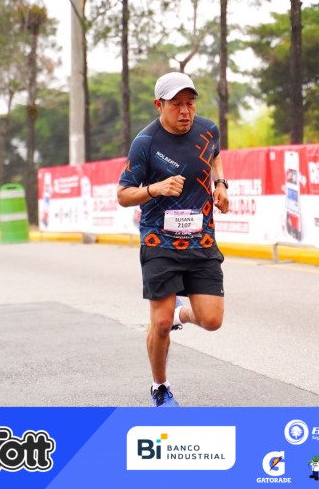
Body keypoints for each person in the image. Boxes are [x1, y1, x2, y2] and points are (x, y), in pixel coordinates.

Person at [117, 72, 230, 407]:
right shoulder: (146, 143)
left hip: (201, 241)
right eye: (177, 104)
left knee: (212, 320)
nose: (185, 111)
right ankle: (160, 387)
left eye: (190, 103)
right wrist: (155, 189)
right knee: (161, 322)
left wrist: (221, 185)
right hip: (159, 243)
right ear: (159, 105)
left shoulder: (208, 130)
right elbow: (123, 195)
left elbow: (215, 155)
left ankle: (182, 314)